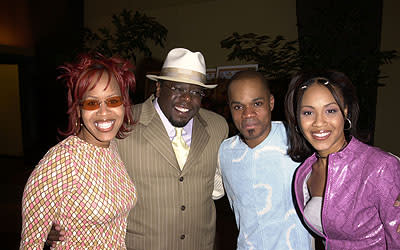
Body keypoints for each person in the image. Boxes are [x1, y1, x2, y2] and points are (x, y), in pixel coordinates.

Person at [47, 48, 229, 249]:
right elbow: (81, 167)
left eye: (195, 91)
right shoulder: (122, 123)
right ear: (158, 87)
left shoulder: (217, 126)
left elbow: (217, 187)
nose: (187, 99)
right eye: (177, 88)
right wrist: (53, 216)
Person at [20, 53, 137, 249]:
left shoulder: (112, 148)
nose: (104, 111)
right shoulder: (60, 161)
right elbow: (31, 244)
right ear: (79, 110)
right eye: (92, 103)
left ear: (124, 104)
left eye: (113, 101)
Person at [284, 70, 400, 249]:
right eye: (308, 113)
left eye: (330, 110)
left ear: (345, 112)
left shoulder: (380, 167)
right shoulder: (304, 172)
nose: (319, 122)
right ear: (297, 118)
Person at [218, 70, 312, 249]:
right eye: (238, 107)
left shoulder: (298, 141)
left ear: (271, 102)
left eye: (257, 103)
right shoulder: (225, 151)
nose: (248, 114)